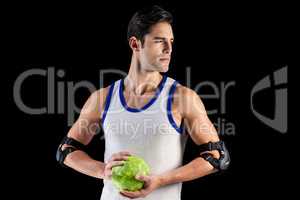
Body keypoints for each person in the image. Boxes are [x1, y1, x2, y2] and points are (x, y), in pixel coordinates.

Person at [56, 5, 230, 200]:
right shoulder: (103, 98)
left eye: (171, 41)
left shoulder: (182, 98)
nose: (169, 49)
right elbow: (66, 150)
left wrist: (161, 181)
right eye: (159, 41)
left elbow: (217, 157)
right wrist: (102, 170)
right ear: (135, 44)